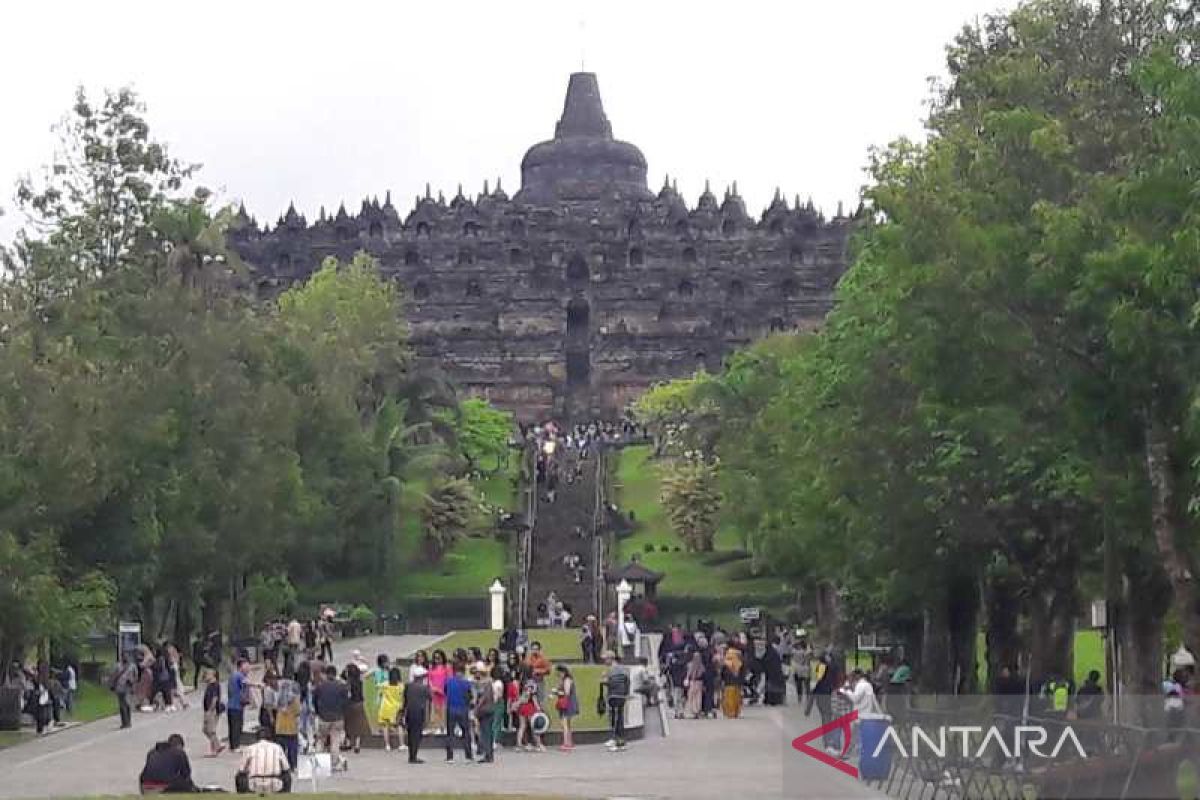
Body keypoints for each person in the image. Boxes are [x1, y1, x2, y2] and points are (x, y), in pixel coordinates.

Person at [312, 664, 349, 771]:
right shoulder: (341, 686)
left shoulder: (320, 686)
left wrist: (318, 712)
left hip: (323, 717)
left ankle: (318, 763)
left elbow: (314, 701)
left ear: (326, 674)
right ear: (336, 674)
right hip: (337, 717)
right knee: (335, 741)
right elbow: (346, 702)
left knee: (320, 740)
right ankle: (334, 764)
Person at [236, 726, 291, 794]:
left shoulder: (250, 748)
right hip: (275, 785)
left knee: (239, 776)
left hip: (254, 784)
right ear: (270, 737)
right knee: (287, 775)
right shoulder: (277, 748)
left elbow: (242, 770)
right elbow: (286, 768)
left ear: (257, 737)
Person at [599, 651, 631, 751]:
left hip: (614, 696)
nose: (604, 661)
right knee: (619, 718)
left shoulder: (611, 671)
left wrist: (603, 679)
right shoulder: (623, 669)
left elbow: (610, 683)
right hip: (621, 696)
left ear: (610, 659)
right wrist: (626, 694)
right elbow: (627, 682)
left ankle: (618, 742)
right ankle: (617, 740)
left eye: (605, 659)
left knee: (615, 719)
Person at [442, 662, 474, 763]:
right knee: (466, 733)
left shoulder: (448, 682)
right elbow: (470, 697)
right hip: (463, 709)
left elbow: (445, 692)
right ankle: (468, 756)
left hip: (451, 709)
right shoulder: (467, 683)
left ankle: (450, 756)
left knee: (450, 733)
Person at [403, 665, 431, 763]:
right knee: (417, 735)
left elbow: (405, 700)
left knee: (411, 734)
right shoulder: (424, 688)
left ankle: (411, 755)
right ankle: (413, 756)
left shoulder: (408, 686)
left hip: (409, 712)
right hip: (419, 712)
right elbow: (430, 698)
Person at [273, 678, 302, 770]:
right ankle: (292, 765)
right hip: (291, 728)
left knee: (280, 749)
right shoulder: (295, 699)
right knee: (292, 749)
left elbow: (275, 708)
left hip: (280, 727)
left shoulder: (279, 698)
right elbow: (297, 712)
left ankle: (280, 766)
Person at [342, 663, 370, 754]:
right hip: (359, 704)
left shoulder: (348, 683)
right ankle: (357, 745)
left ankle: (349, 742)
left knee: (348, 724)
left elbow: (348, 694)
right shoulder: (360, 682)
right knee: (358, 724)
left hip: (351, 704)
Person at [472, 663, 497, 762]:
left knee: (486, 733)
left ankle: (488, 754)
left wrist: (477, 708)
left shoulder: (487, 683)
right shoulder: (482, 683)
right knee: (486, 732)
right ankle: (488, 754)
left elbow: (484, 698)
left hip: (486, 710)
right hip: (485, 710)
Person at [515, 677, 546, 752]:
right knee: (534, 727)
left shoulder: (524, 691)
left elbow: (520, 700)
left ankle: (518, 745)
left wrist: (516, 705)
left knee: (522, 727)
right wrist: (540, 710)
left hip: (522, 708)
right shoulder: (533, 693)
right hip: (530, 708)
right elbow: (535, 703)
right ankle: (539, 745)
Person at [227, 659, 251, 752]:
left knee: (232, 726)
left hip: (232, 705)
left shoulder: (233, 675)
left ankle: (232, 745)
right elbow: (247, 683)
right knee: (237, 726)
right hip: (236, 705)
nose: (248, 668)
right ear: (241, 666)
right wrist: (258, 685)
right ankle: (236, 746)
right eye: (246, 666)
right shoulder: (239, 676)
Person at [378, 667, 404, 752]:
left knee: (385, 726)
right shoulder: (401, 686)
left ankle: (387, 745)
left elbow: (378, 689)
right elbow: (402, 697)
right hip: (396, 708)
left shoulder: (385, 685)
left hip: (385, 708)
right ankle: (401, 744)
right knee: (399, 726)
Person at [110, 653, 138, 730]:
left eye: (126, 656)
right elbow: (114, 676)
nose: (125, 657)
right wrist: (112, 685)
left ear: (129, 657)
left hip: (128, 688)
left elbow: (136, 677)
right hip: (119, 687)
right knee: (122, 706)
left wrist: (132, 681)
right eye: (123, 656)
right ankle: (124, 722)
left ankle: (128, 721)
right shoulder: (118, 666)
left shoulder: (132, 666)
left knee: (127, 704)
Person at [553, 664, 578, 751]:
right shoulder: (565, 680)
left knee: (564, 724)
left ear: (562, 672)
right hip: (568, 703)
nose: (557, 674)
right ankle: (569, 742)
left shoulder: (567, 680)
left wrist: (556, 692)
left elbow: (566, 693)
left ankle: (566, 743)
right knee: (568, 724)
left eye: (558, 673)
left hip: (567, 704)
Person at [200, 669, 225, 757]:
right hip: (209, 710)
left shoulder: (214, 685)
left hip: (212, 710)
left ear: (213, 675)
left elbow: (214, 698)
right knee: (207, 730)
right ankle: (215, 748)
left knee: (210, 730)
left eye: (208, 674)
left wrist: (210, 710)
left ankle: (217, 747)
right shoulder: (210, 685)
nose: (206, 675)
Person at [428, 649, 449, 734]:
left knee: (443, 709)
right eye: (435, 658)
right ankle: (436, 727)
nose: (437, 660)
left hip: (443, 692)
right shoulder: (431, 668)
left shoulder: (446, 668)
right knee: (435, 709)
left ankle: (443, 727)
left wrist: (442, 689)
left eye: (439, 658)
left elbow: (448, 679)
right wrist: (432, 687)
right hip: (434, 692)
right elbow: (429, 679)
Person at [722, 645, 745, 718]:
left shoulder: (726, 663)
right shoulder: (739, 663)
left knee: (729, 699)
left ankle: (729, 713)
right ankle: (735, 712)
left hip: (728, 684)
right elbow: (742, 674)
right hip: (737, 684)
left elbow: (723, 674)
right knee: (736, 698)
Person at [793, 634, 812, 705]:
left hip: (798, 669)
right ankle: (808, 698)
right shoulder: (808, 652)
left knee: (799, 685)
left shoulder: (795, 652)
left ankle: (799, 698)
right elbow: (809, 659)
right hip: (806, 669)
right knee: (807, 685)